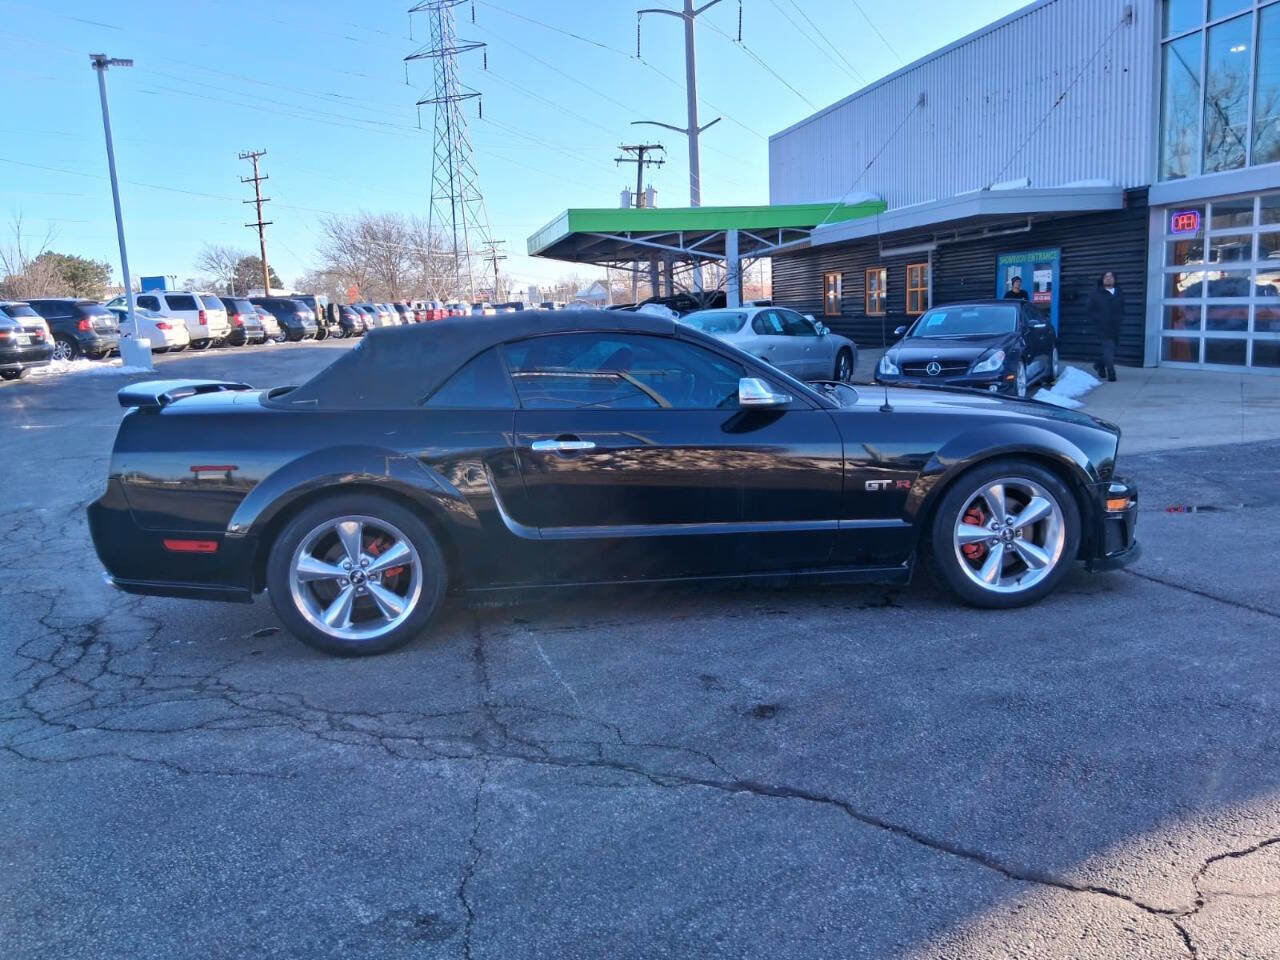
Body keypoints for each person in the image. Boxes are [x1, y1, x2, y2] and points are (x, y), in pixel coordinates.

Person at [1086, 271, 1124, 382]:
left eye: (1111, 277)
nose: (1108, 279)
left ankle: (1099, 365)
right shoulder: (1096, 294)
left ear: (1115, 279)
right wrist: (1097, 320)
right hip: (1102, 327)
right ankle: (1111, 373)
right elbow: (1089, 309)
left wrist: (1120, 319)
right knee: (1108, 349)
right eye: (1106, 277)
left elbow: (1122, 308)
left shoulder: (1119, 292)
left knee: (1113, 349)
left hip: (1116, 327)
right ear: (1102, 280)